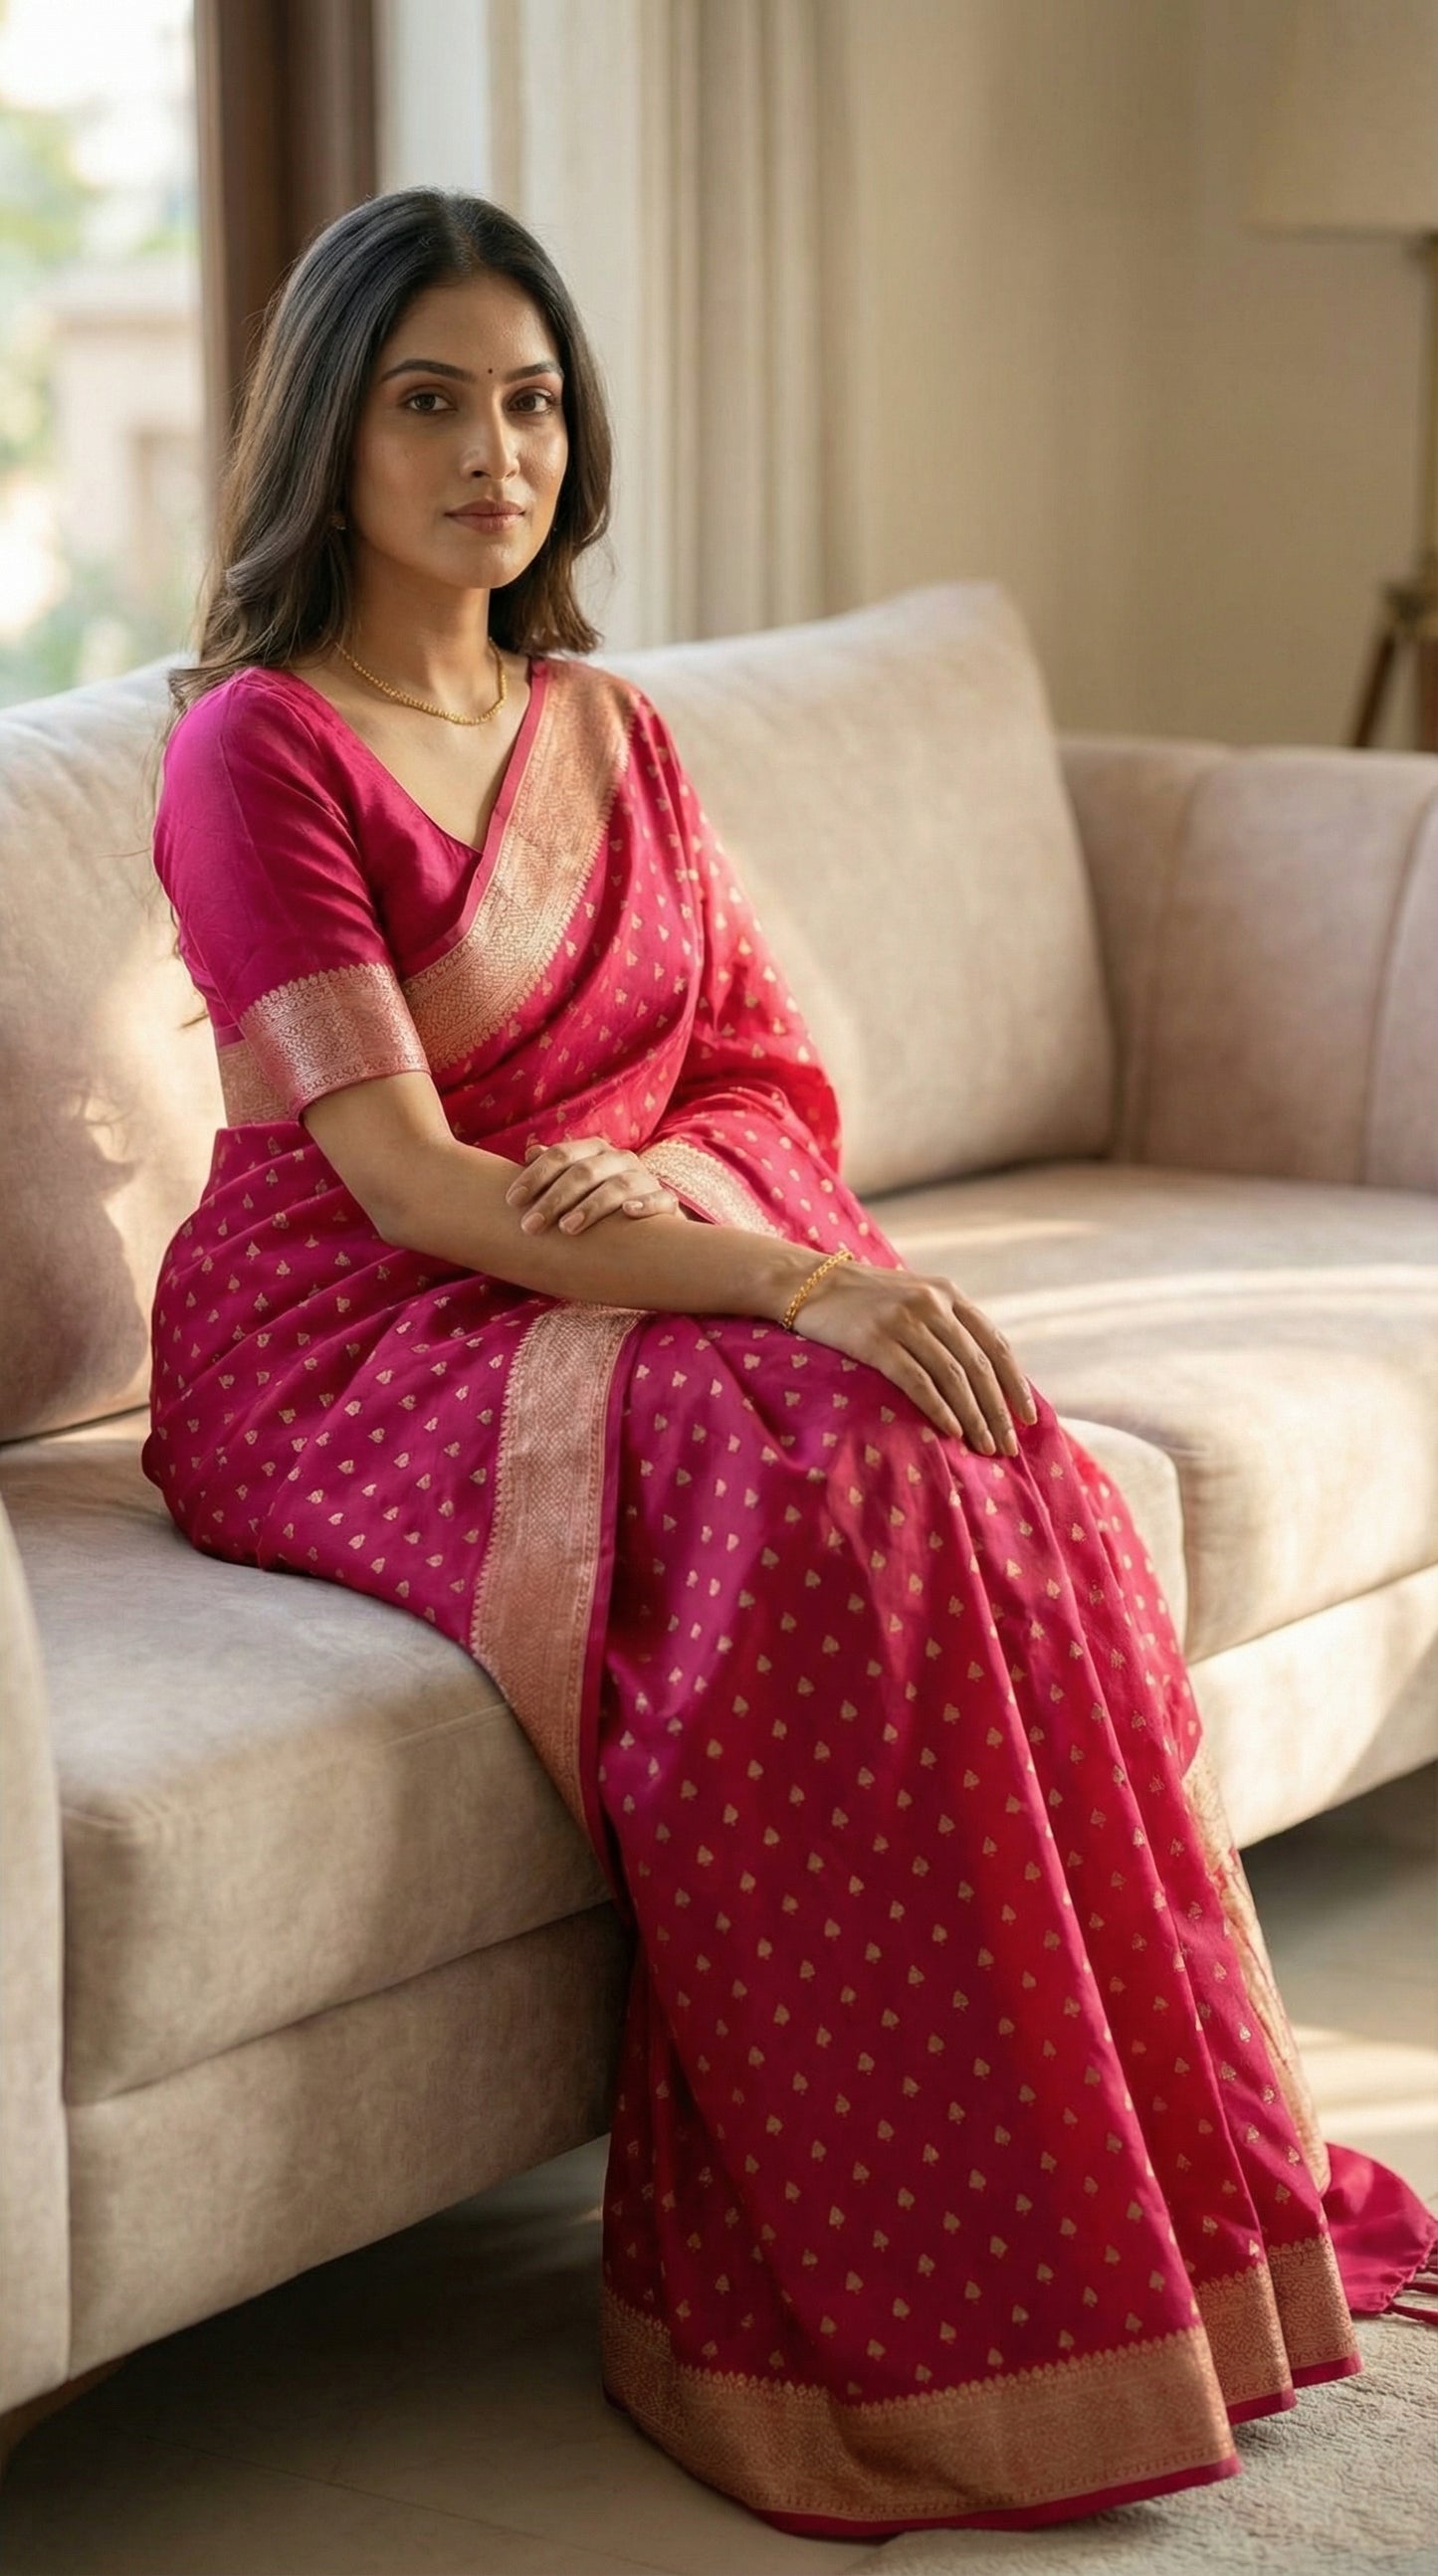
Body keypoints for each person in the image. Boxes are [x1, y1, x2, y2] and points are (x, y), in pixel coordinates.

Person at [141, 186, 1437, 2540]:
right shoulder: (258, 753)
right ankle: (912, 2295)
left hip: (623, 1244)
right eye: (428, 399)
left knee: (994, 1463)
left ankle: (1140, 2210)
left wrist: (703, 1225)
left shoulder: (605, 730)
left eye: (529, 401)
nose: (490, 453)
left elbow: (747, 1072)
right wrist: (775, 1282)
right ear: (332, 433)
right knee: (812, 1477)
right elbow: (417, 1183)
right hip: (349, 1322)